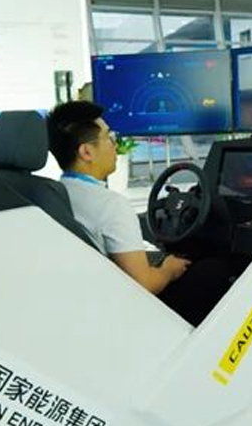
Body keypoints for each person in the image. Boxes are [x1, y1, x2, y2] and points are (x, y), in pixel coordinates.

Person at [46, 101, 190, 295]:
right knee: (211, 270)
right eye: (109, 137)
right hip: (121, 301)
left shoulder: (54, 193)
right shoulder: (111, 206)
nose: (115, 144)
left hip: (83, 291)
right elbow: (144, 285)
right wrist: (168, 270)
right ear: (86, 152)